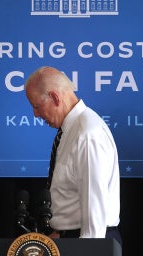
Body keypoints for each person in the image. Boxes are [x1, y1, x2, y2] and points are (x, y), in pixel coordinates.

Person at [24, 66, 122, 245]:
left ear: (55, 97)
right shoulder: (71, 130)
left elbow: (95, 212)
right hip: (72, 239)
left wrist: (86, 250)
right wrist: (59, 234)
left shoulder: (87, 134)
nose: (35, 114)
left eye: (37, 106)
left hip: (91, 242)